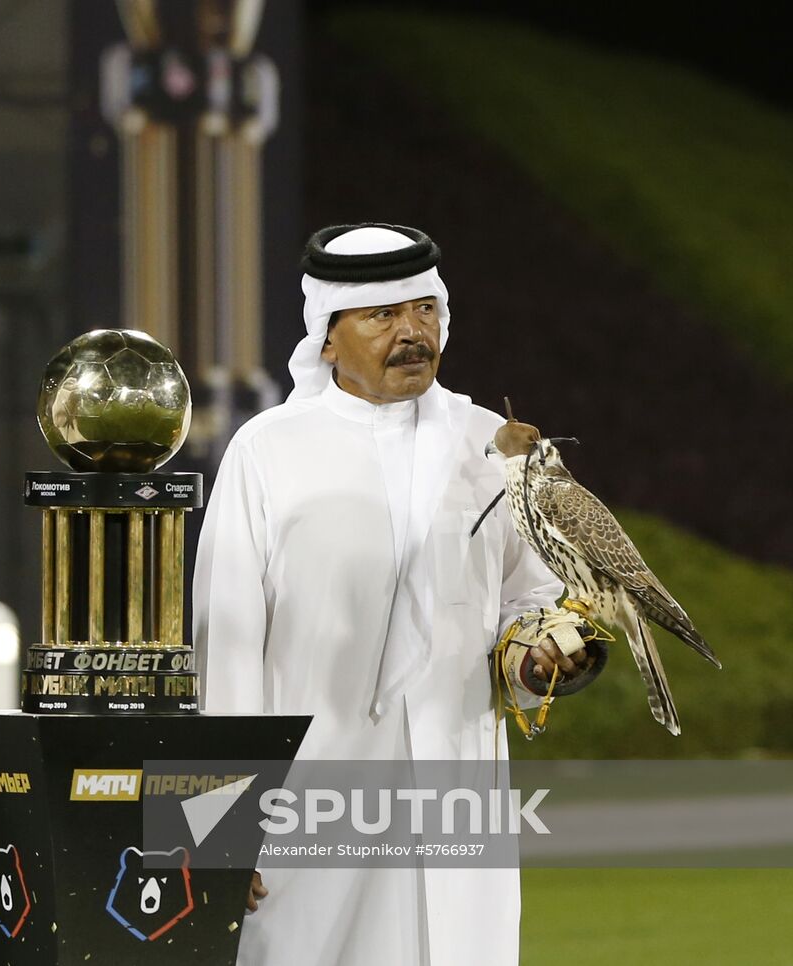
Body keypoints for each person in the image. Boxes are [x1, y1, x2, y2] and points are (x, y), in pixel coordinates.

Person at [193, 223, 596, 966]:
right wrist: (219, 823)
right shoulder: (268, 449)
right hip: (310, 802)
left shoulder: (495, 445)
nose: (413, 333)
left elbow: (531, 601)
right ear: (327, 335)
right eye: (383, 315)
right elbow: (225, 646)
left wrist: (540, 656)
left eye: (425, 310)